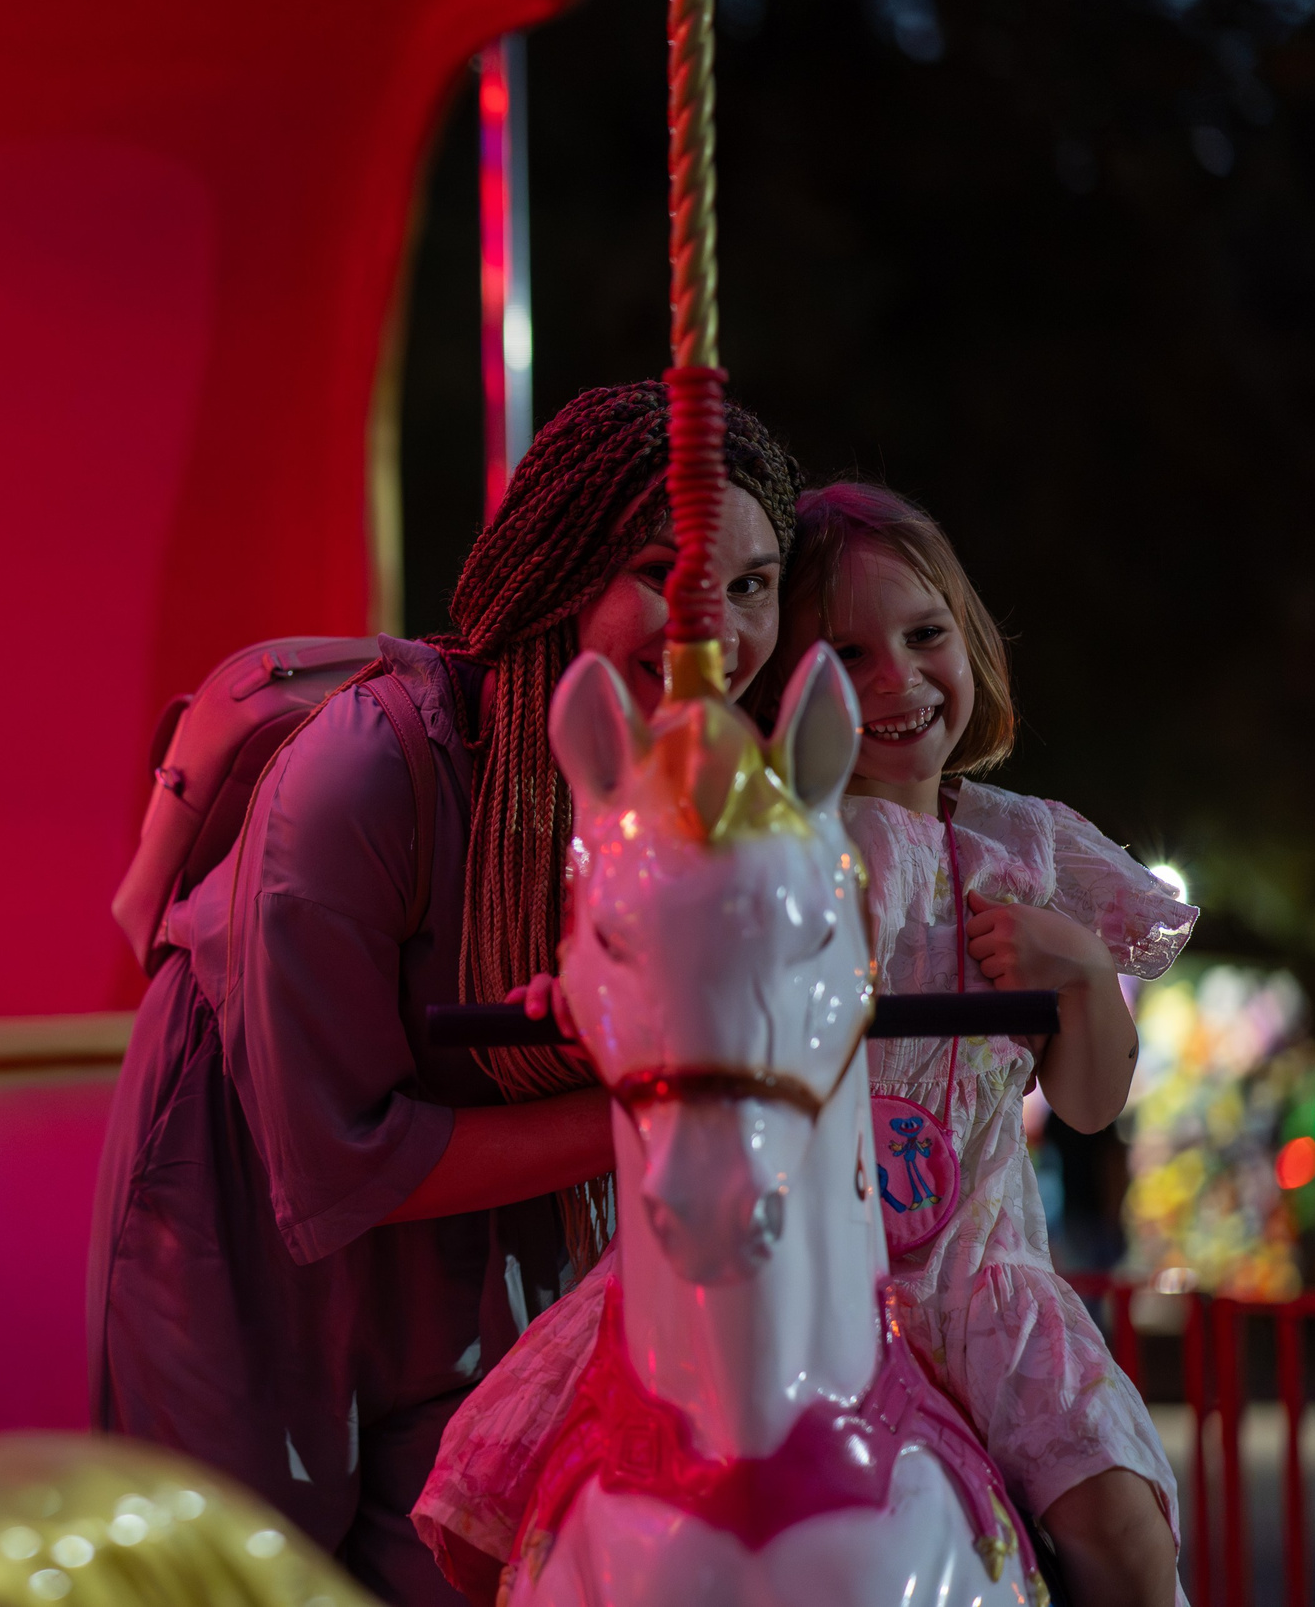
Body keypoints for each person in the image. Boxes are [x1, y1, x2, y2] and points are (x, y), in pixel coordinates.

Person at [87, 382, 806, 1607]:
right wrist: (669, 1112)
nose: (711, 630)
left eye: (750, 586)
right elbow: (328, 1158)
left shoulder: (687, 803)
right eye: (657, 568)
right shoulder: (366, 770)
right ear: (558, 572)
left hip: (483, 1239)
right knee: (244, 1580)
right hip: (243, 1235)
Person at [416, 482, 1190, 1607]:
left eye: (925, 638)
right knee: (500, 1517)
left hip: (971, 1270)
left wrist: (1078, 970)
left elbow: (1086, 1103)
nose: (899, 681)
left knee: (1121, 1534)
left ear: (968, 639)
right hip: (784, 1254)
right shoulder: (787, 848)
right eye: (852, 656)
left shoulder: (1028, 849)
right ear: (803, 689)